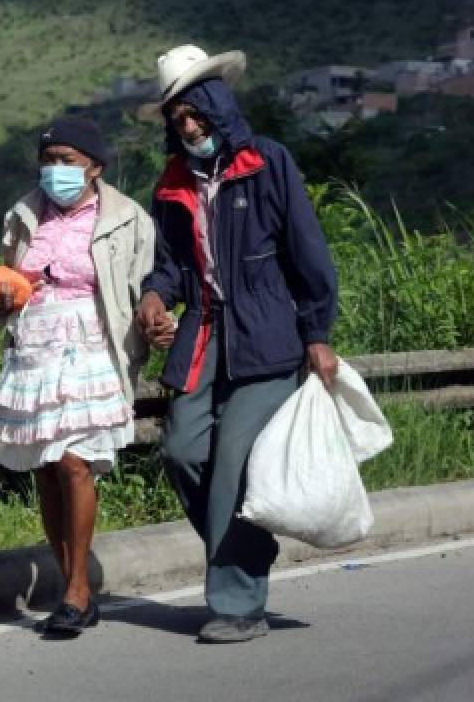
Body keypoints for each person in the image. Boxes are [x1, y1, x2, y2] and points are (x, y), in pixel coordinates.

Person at [136, 45, 340, 643]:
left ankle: (238, 605)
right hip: (204, 333)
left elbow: (308, 255)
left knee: (230, 466)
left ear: (218, 105)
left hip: (268, 336)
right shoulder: (173, 181)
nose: (187, 126)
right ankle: (247, 551)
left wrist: (318, 334)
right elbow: (170, 264)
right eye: (177, 119)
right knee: (181, 449)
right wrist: (153, 296)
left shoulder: (267, 162)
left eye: (194, 113)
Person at [0, 116, 156, 636]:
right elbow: (9, 289)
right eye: (49, 161)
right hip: (34, 348)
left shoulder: (127, 219)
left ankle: (77, 589)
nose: (56, 171)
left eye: (68, 161)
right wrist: (0, 296)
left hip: (92, 345)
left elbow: (147, 284)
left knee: (76, 462)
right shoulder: (22, 217)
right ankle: (71, 579)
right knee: (47, 468)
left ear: (95, 167)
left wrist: (155, 319)